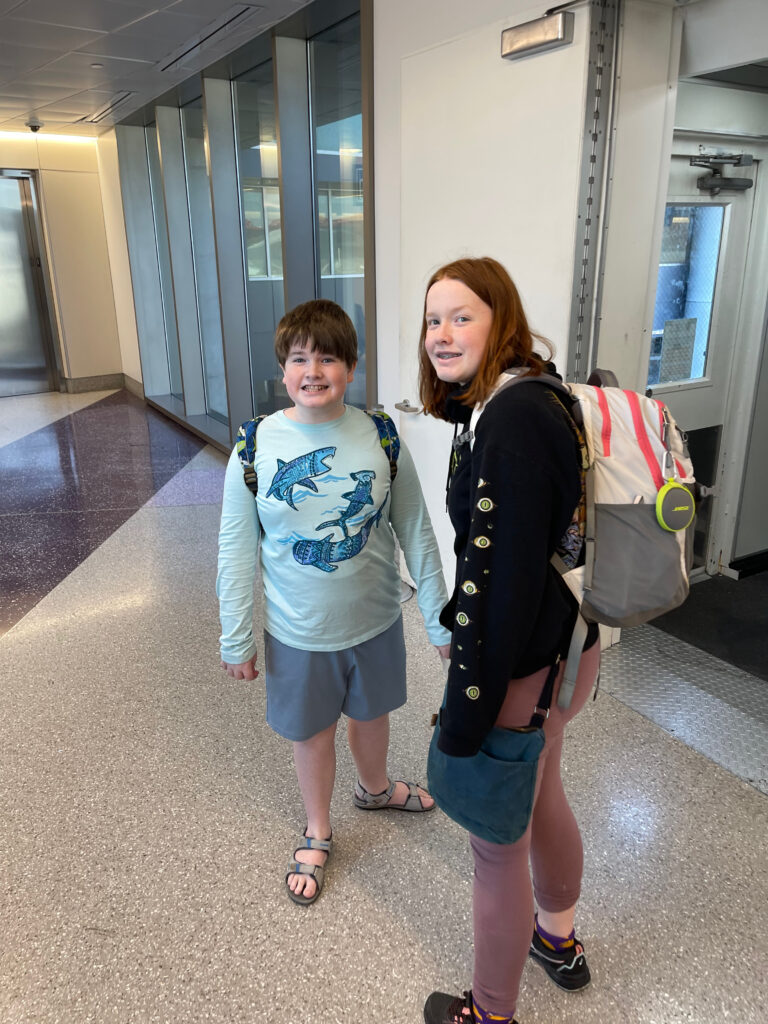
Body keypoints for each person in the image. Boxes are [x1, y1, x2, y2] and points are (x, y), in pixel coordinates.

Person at [216, 298, 451, 907]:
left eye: (328, 358)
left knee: (372, 716)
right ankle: (318, 827)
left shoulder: (379, 434)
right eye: (299, 359)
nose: (312, 371)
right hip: (299, 631)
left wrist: (438, 610)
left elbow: (415, 527)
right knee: (313, 733)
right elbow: (235, 552)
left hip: (375, 619)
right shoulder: (255, 446)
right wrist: (236, 637)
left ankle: (374, 788)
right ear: (283, 369)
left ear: (351, 366)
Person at [417, 258, 601, 1024]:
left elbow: (502, 591)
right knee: (542, 790)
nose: (442, 334)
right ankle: (556, 940)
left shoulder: (512, 421)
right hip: (571, 651)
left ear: (502, 320)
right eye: (432, 319)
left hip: (521, 669)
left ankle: (490, 1014)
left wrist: (465, 716)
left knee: (497, 845)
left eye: (462, 315)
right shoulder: (536, 391)